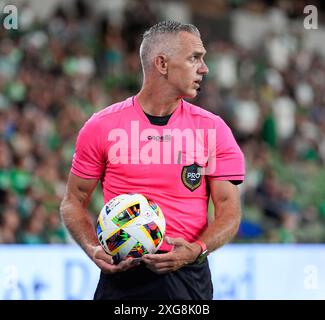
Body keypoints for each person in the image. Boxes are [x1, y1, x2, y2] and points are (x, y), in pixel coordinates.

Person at [60, 21, 245, 300]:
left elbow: (229, 211)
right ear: (162, 64)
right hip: (120, 276)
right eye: (194, 58)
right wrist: (92, 247)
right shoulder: (101, 126)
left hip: (187, 277)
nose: (204, 68)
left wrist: (196, 250)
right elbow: (73, 202)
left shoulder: (213, 130)